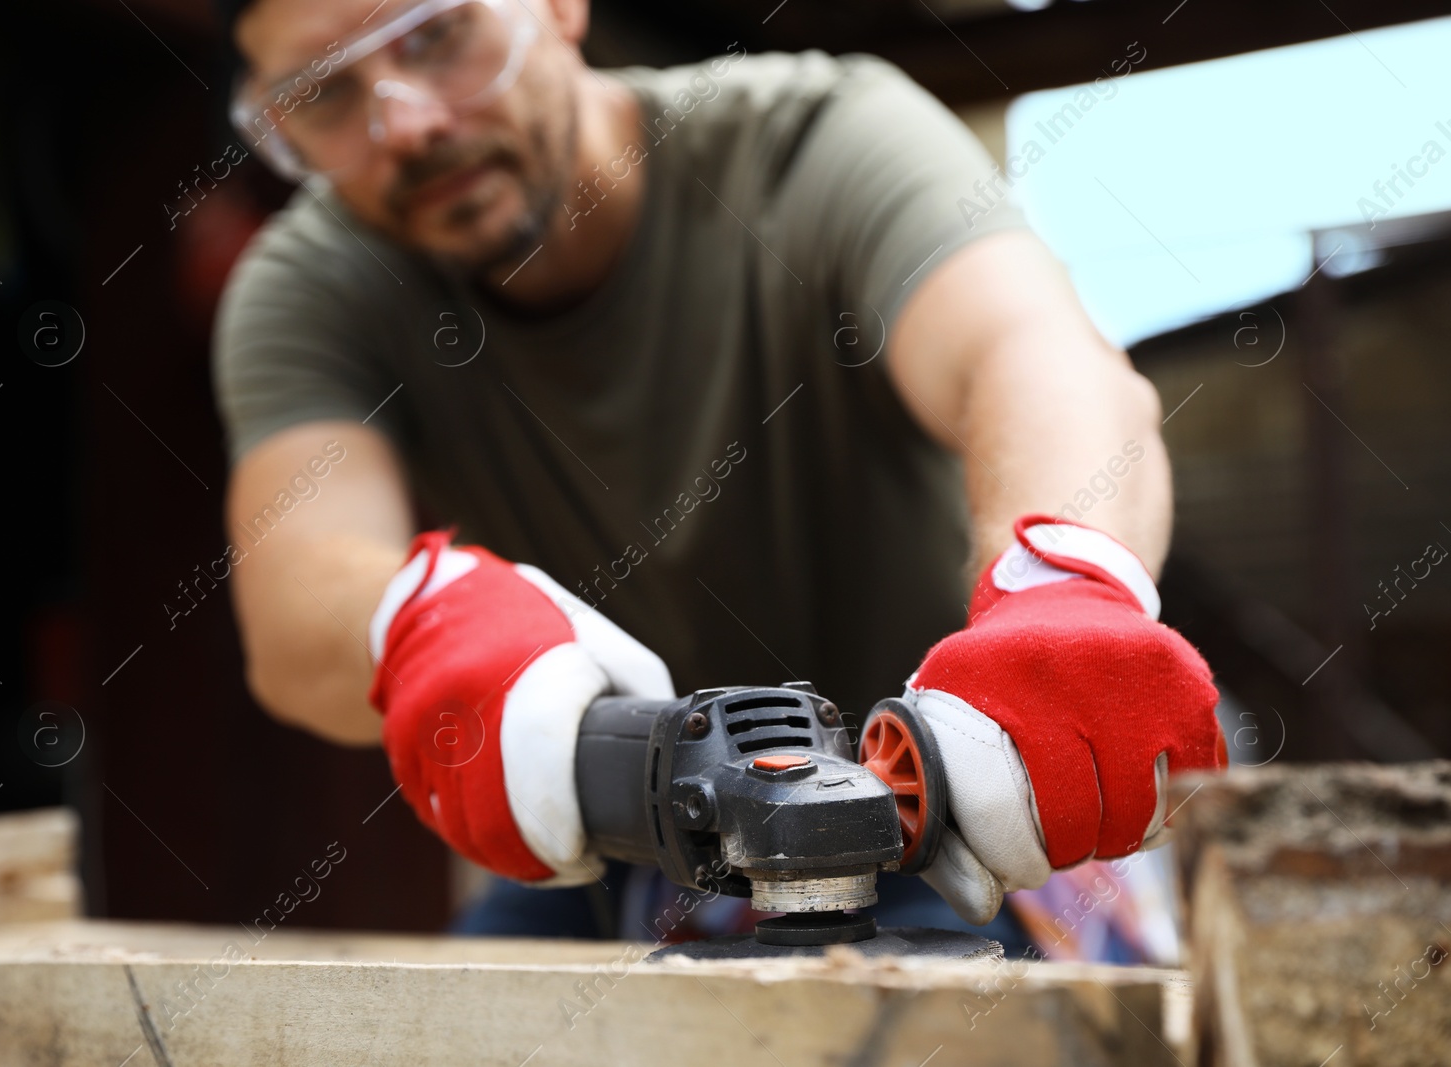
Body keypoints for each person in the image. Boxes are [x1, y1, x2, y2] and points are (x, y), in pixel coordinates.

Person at [211, 0, 1225, 948]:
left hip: (958, 794)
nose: (405, 123)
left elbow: (1029, 350)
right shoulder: (312, 287)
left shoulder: (820, 139)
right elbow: (297, 578)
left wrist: (1061, 584)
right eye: (321, 96)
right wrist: (415, 617)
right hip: (632, 821)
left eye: (434, 35)